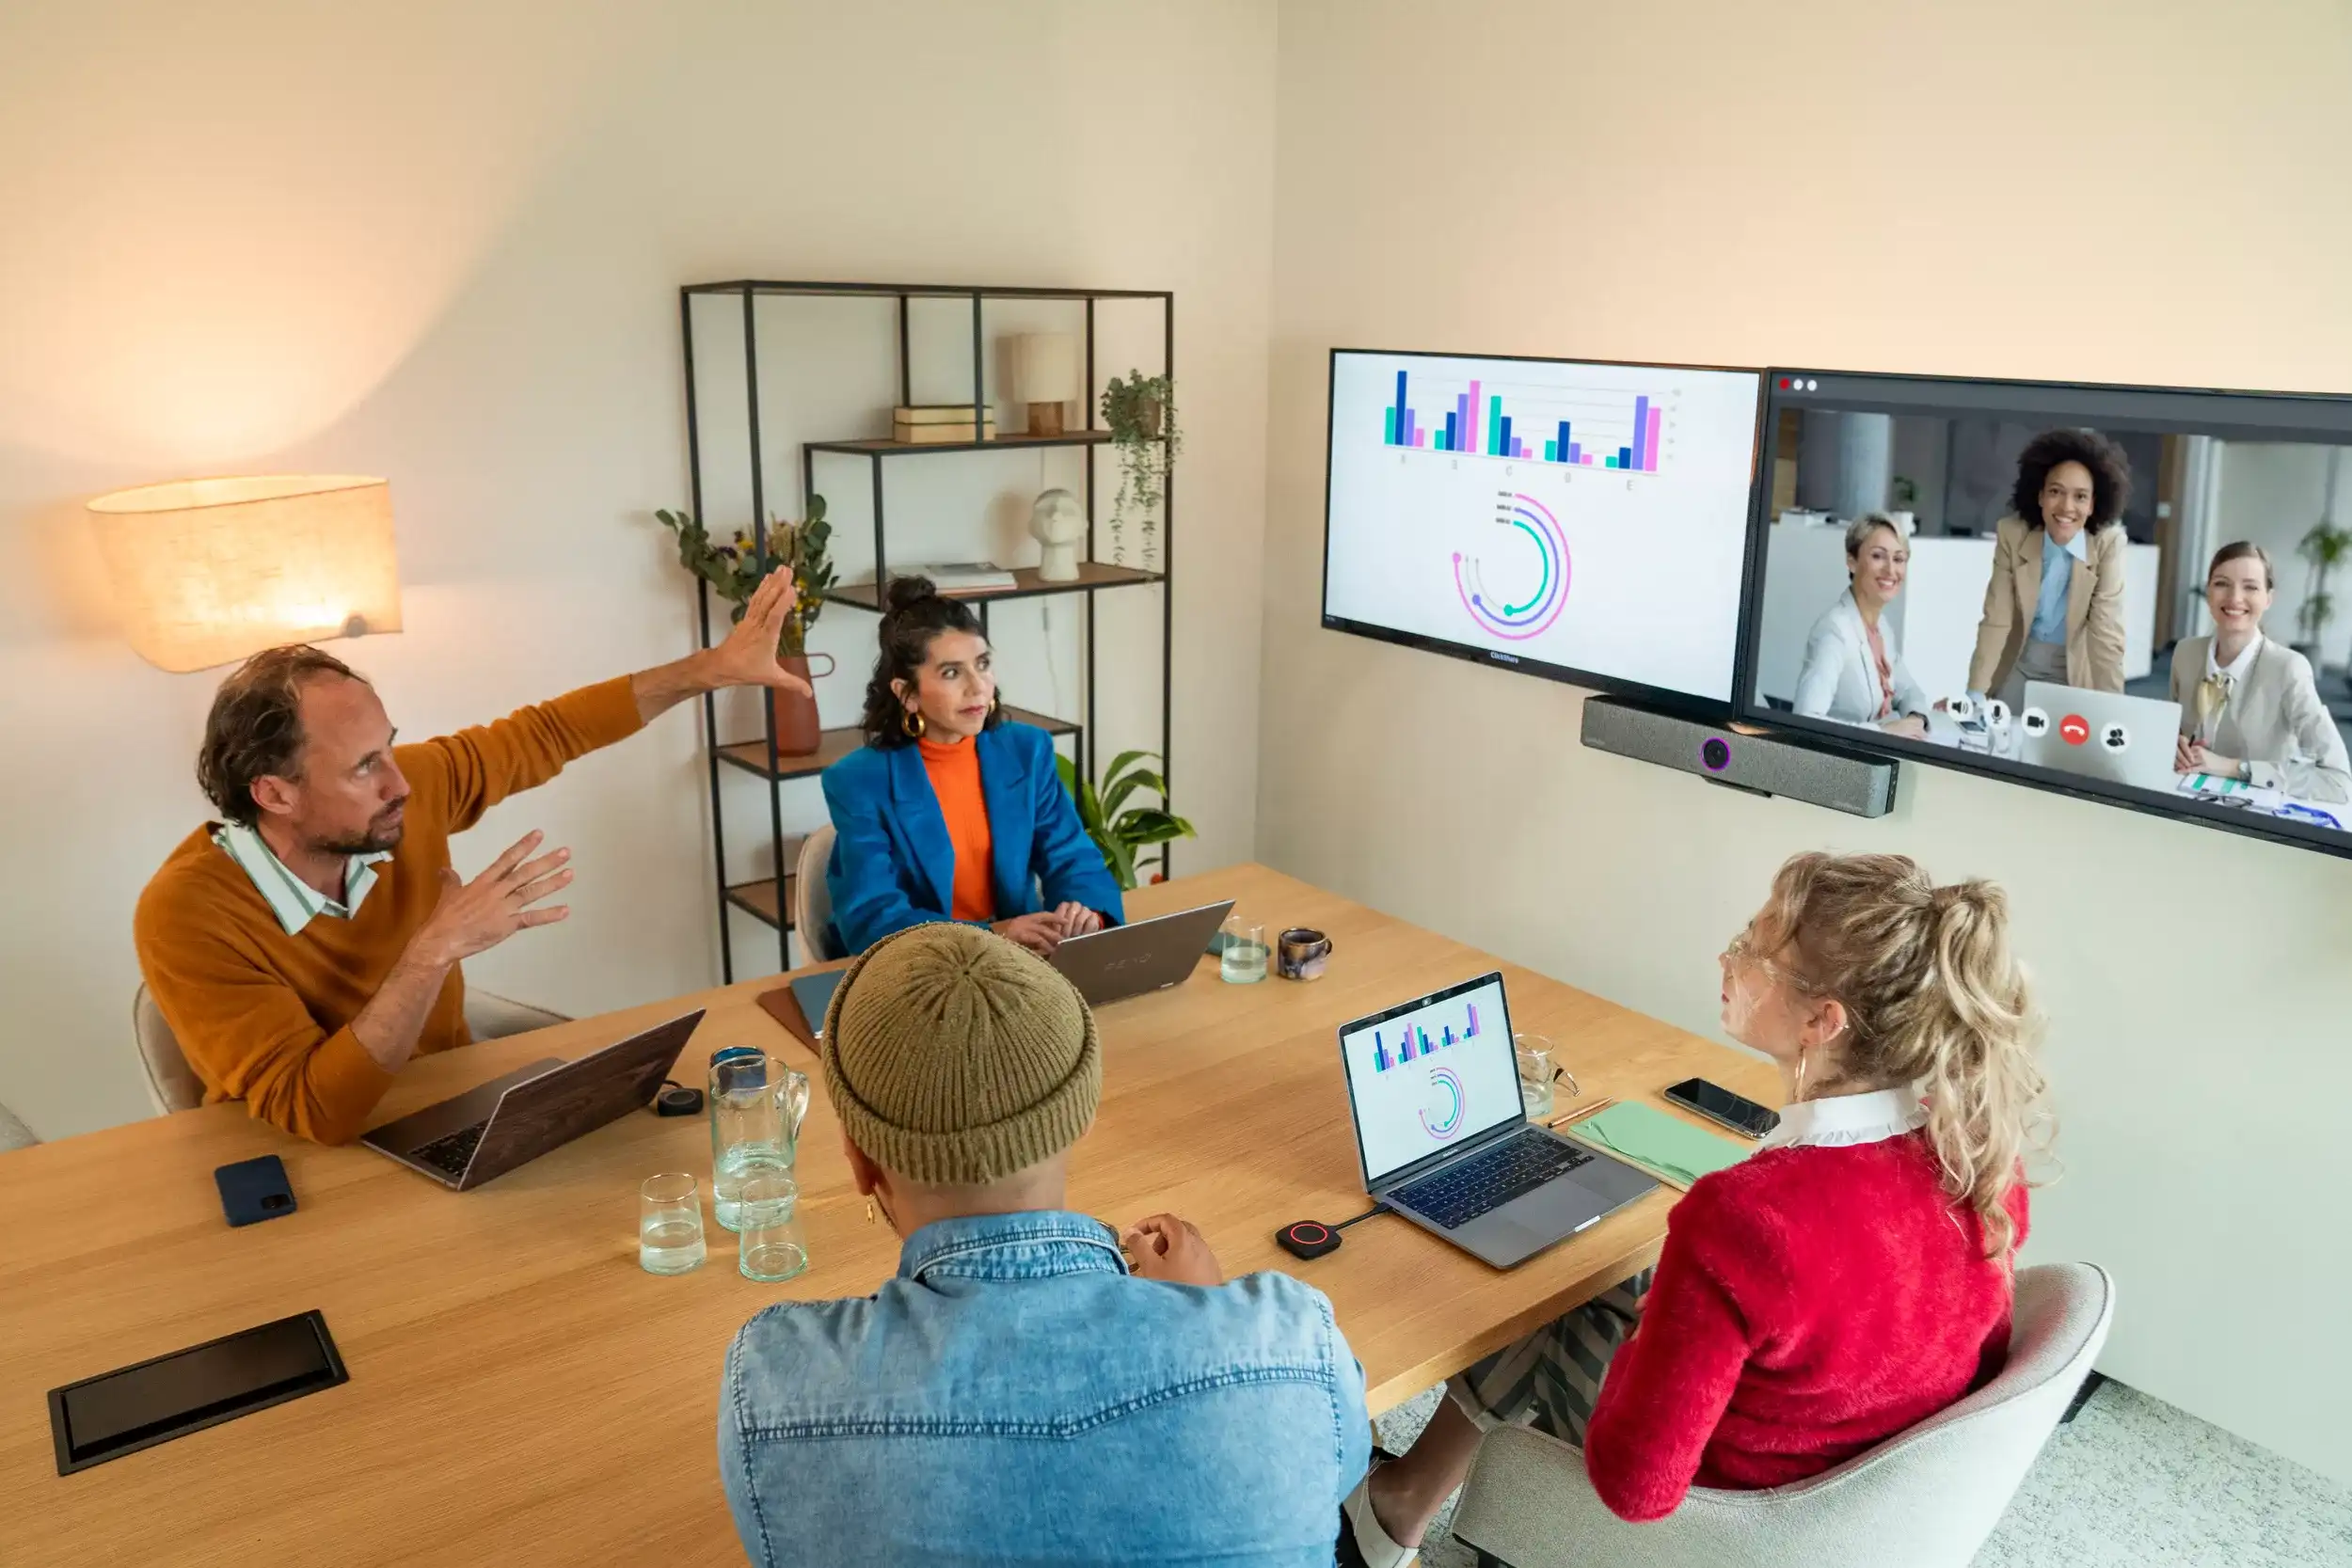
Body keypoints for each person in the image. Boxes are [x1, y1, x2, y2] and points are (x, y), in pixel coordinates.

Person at [1343, 852, 2046, 1563]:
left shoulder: (1747, 1215)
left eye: (1753, 950)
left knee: (1565, 1306)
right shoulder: (1978, 1159)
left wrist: (1647, 1343)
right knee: (1597, 1282)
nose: (1727, 958)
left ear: (1822, 1021)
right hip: (1854, 1494)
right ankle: (1400, 1499)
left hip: (1729, 1523)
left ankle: (1396, 1503)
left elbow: (1635, 1487)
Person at [720, 921, 1369, 1567]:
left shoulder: (775, 1386)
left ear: (859, 1160)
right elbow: (1328, 1484)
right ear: (1081, 1114)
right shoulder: (1289, 1341)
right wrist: (1201, 1318)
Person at [135, 570, 813, 1144]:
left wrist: (710, 670)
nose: (400, 783)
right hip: (301, 1167)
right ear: (274, 793)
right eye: (363, 767)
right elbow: (314, 1110)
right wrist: (432, 951)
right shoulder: (186, 912)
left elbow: (547, 731)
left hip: (446, 1120)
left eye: (390, 748)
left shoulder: (407, 792)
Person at [821, 577, 1120, 958]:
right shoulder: (858, 781)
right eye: (951, 672)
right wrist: (994, 934)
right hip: (917, 968)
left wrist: (1086, 914)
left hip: (1019, 961)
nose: (979, 687)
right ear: (907, 694)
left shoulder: (1027, 750)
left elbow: (1071, 856)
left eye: (982, 664)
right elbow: (874, 918)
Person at [1963, 426, 2132, 710]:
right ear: (2040, 496)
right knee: (1998, 737)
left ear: (2093, 504)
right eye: (2056, 491)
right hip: (2022, 660)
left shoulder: (2108, 544)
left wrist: (2114, 711)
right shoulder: (2012, 534)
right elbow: (1997, 619)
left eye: (2080, 496)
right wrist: (1975, 694)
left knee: (2065, 748)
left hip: (2075, 668)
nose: (2067, 506)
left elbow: (2106, 635)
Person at [2170, 541, 2351, 802]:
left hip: (2255, 814)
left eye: (2251, 587)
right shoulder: (2185, 654)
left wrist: (2232, 767)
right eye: (2222, 583)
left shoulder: (2289, 668)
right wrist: (2173, 747)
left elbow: (2339, 781)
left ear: (2268, 598)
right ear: (2208, 591)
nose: (2234, 598)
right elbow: (2173, 733)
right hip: (2182, 798)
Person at [1792, 513, 1932, 738]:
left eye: (1899, 559)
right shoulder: (1834, 631)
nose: (1890, 570)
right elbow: (1806, 719)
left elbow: (1909, 690)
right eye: (1878, 556)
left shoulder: (1881, 628)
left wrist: (1916, 719)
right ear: (1852, 561)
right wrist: (1882, 732)